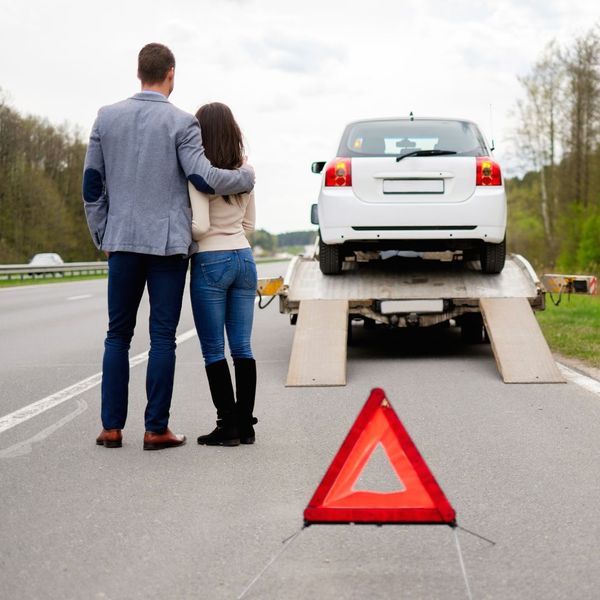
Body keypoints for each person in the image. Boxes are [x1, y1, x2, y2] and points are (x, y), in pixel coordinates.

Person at [83, 43, 255, 450]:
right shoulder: (182, 123)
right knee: (162, 337)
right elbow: (204, 177)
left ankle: (111, 427)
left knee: (116, 336)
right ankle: (155, 428)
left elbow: (92, 185)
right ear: (171, 73)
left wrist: (102, 235)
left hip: (121, 241)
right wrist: (246, 179)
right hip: (167, 248)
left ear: (139, 71)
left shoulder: (106, 118)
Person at [188, 102, 258, 447]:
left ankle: (226, 425)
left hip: (210, 259)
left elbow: (199, 227)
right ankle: (245, 425)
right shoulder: (246, 172)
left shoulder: (199, 175)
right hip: (244, 258)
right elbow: (250, 225)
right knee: (242, 346)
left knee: (214, 349)